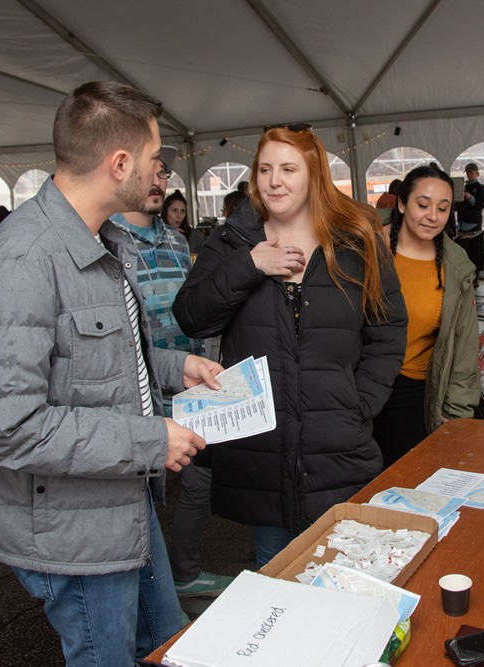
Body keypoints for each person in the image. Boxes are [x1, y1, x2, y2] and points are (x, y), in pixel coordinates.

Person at [0, 81, 225, 667]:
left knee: (165, 643)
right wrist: (150, 440)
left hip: (117, 502)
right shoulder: (20, 262)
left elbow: (96, 358)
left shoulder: (98, 240)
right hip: (69, 528)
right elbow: (6, 426)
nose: (161, 174)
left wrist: (176, 367)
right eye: (155, 161)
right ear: (119, 164)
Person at [173, 124, 407, 567]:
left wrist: (359, 404)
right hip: (264, 453)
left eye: (287, 168)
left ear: (314, 173)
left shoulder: (356, 239)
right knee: (276, 569)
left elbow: (388, 329)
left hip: (336, 446)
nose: (274, 180)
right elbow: (192, 317)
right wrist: (250, 265)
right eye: (264, 169)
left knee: (345, 568)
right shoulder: (233, 241)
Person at [111, 146, 234, 602]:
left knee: (198, 481)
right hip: (135, 387)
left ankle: (183, 573)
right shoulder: (106, 240)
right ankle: (146, 594)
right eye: (152, 171)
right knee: (138, 495)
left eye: (165, 172)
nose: (159, 180)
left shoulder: (179, 241)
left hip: (189, 380)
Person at [372, 166, 480, 468]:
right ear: (402, 204)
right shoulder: (367, 249)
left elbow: (464, 346)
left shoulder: (456, 265)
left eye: (443, 208)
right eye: (423, 205)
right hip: (358, 389)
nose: (433, 215)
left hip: (415, 392)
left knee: (403, 483)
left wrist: (456, 412)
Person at [455, 162, 484, 284]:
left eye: (471, 172)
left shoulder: (480, 188)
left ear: (477, 173)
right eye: (467, 172)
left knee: (475, 252)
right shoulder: (463, 188)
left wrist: (468, 196)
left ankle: (475, 277)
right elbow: (458, 205)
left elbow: (480, 204)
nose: (469, 175)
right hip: (462, 225)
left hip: (474, 225)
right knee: (464, 253)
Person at [162, 189, 204, 254]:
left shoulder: (195, 236)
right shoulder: (157, 235)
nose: (179, 216)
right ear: (165, 212)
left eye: (182, 211)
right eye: (175, 210)